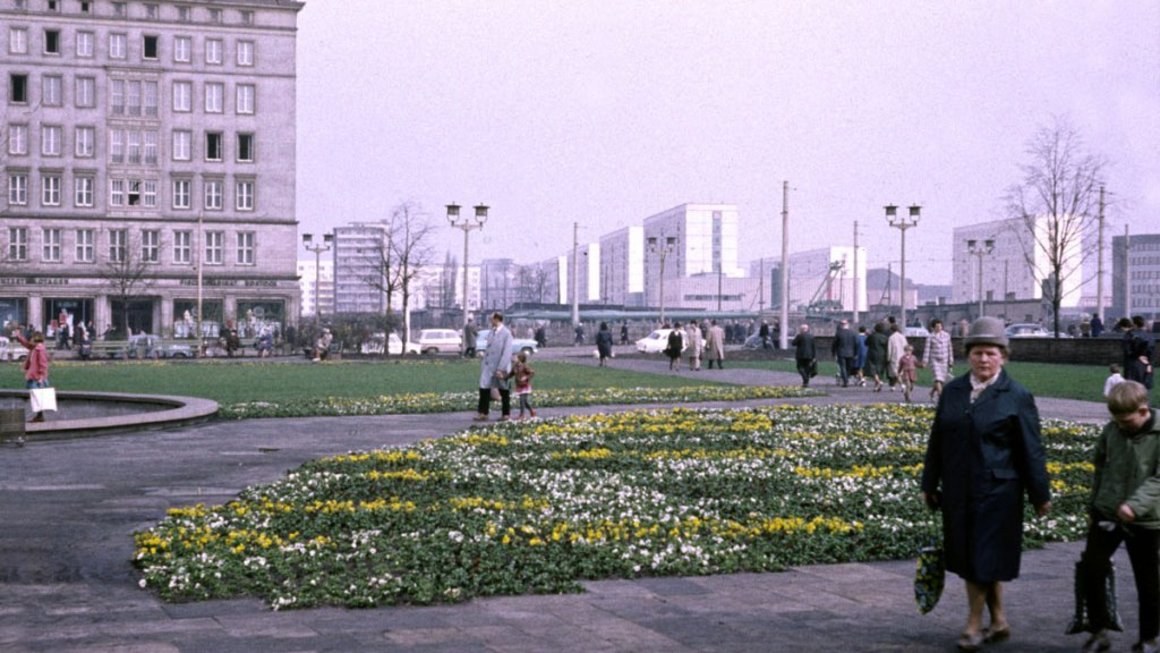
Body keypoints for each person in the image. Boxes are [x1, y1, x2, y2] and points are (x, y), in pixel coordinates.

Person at [921, 316, 1051, 652]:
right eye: (978, 352)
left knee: (979, 556)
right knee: (973, 555)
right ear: (968, 355)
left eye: (991, 353)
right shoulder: (953, 391)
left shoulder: (1017, 396)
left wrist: (1040, 494)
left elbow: (1031, 449)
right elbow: (938, 439)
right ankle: (1000, 620)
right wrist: (929, 481)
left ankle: (973, 625)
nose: (983, 359)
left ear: (1003, 357)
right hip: (958, 490)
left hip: (998, 493)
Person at [1077, 381, 1160, 653]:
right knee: (1092, 568)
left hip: (1146, 519)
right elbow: (1101, 468)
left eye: (1127, 421)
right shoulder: (1112, 430)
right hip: (1108, 511)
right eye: (1117, 421)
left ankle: (1148, 637)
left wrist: (1135, 506)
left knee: (1147, 580)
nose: (1121, 426)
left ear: (1144, 410)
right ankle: (1099, 630)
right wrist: (1094, 506)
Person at [476, 312, 513, 421]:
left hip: (499, 367)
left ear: (497, 319)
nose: (490, 321)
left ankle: (506, 414)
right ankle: (483, 412)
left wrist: (501, 368)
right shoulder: (491, 332)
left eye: (491, 319)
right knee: (484, 388)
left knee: (504, 390)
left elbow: (507, 352)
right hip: (488, 366)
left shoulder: (506, 334)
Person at [12, 329, 50, 423]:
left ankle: (39, 415)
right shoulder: (35, 347)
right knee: (36, 396)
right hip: (34, 376)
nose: (30, 339)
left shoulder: (39, 349)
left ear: (35, 339)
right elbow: (26, 344)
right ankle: (39, 415)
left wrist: (41, 376)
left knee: (37, 397)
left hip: (37, 378)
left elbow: (43, 364)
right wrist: (19, 336)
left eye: (32, 338)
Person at [922, 318, 954, 402]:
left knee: (941, 380)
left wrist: (951, 360)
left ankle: (932, 393)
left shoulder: (946, 335)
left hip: (944, 360)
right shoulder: (930, 337)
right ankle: (941, 397)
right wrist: (925, 361)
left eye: (940, 326)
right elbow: (927, 349)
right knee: (937, 378)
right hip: (934, 360)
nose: (939, 328)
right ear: (933, 328)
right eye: (937, 326)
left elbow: (949, 348)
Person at [831, 319, 857, 387]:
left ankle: (845, 380)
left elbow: (834, 344)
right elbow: (856, 343)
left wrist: (833, 352)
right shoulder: (853, 333)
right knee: (848, 367)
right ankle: (846, 378)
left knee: (843, 367)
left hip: (841, 352)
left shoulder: (839, 333)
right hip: (851, 353)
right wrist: (856, 353)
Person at [512, 351, 536, 419]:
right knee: (525, 402)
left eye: (516, 357)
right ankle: (532, 411)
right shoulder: (515, 366)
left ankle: (522, 415)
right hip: (519, 386)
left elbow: (532, 372)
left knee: (522, 400)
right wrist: (503, 377)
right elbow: (511, 374)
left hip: (525, 386)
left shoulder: (524, 366)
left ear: (520, 358)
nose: (514, 358)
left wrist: (526, 377)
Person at [865, 322, 889, 392]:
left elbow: (866, 343)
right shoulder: (885, 337)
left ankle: (878, 382)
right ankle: (877, 386)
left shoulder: (872, 336)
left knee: (873, 370)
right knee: (880, 370)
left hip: (872, 354)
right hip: (882, 354)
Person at [791, 323, 816, 388]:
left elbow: (793, 343)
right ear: (807, 329)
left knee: (800, 367)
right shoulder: (811, 336)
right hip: (809, 355)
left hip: (801, 355)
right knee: (807, 368)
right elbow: (814, 347)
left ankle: (805, 379)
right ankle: (806, 382)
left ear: (801, 329)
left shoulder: (799, 336)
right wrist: (814, 356)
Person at [886, 323, 908, 392]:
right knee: (899, 372)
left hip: (894, 357)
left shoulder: (891, 338)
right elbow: (906, 346)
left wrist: (888, 357)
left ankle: (902, 385)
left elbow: (889, 349)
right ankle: (893, 386)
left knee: (896, 372)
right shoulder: (902, 337)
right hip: (903, 356)